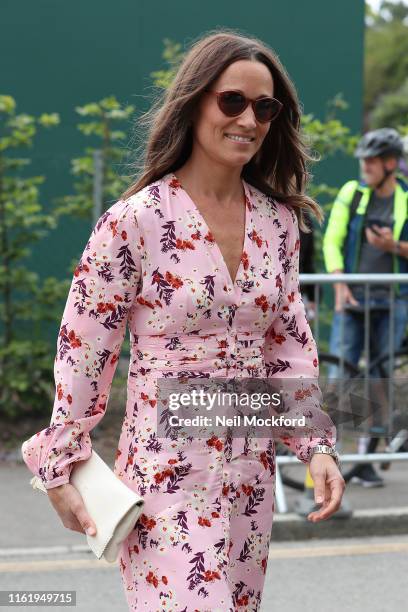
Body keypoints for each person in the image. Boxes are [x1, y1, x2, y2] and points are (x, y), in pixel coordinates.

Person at [22, 30, 344, 611]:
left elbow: (288, 347)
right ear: (195, 101)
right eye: (232, 101)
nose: (249, 118)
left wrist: (316, 446)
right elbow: (85, 348)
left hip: (249, 477)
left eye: (264, 107)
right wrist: (61, 463)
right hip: (164, 480)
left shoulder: (278, 225)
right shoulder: (133, 223)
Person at [323, 128, 408, 487]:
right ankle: (327, 456)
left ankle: (366, 458)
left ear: (391, 163)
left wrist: (394, 247)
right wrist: (339, 284)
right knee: (340, 376)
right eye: (363, 160)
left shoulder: (405, 196)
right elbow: (331, 240)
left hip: (392, 300)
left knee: (380, 377)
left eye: (372, 161)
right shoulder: (351, 193)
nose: (365, 166)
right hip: (353, 298)